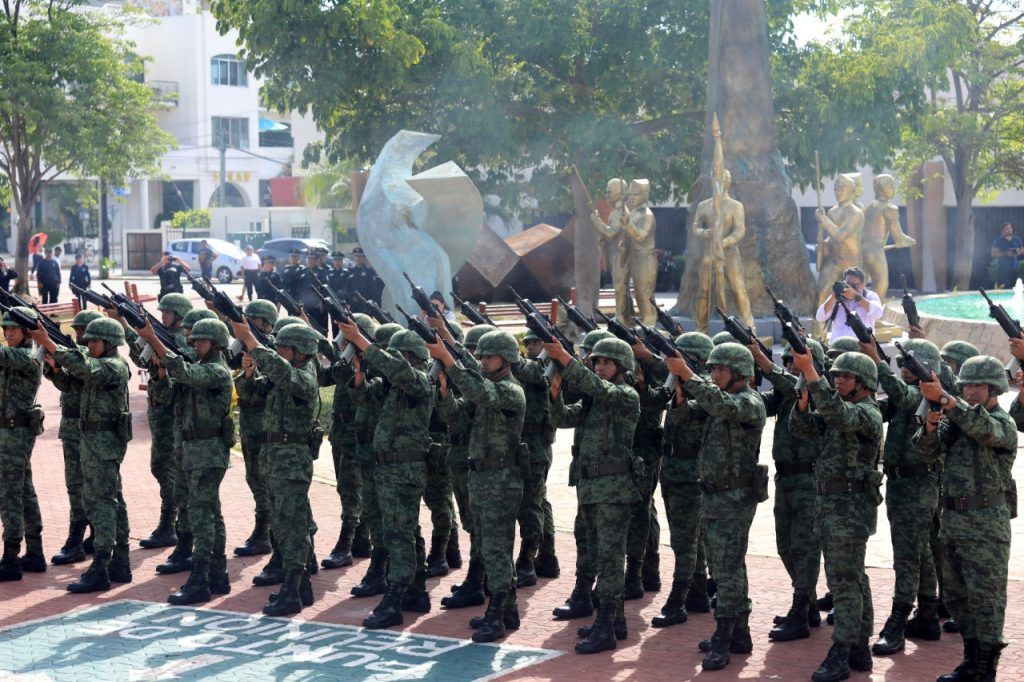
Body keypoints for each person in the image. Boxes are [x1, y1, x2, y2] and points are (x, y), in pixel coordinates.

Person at [665, 343, 766, 671]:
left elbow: (720, 405)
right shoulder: (718, 399)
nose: (715, 375)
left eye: (721, 370)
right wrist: (681, 394)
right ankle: (740, 632)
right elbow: (687, 415)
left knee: (726, 569)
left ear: (739, 373)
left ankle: (723, 634)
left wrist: (688, 375)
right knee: (730, 566)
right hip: (714, 497)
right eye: (713, 369)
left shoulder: (749, 402)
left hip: (734, 499)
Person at [790, 350, 883, 682]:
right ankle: (859, 647)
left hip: (850, 509)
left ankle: (841, 650)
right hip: (832, 506)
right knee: (853, 578)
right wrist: (803, 402)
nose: (839, 380)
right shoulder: (842, 408)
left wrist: (811, 374)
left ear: (864, 382)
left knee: (843, 582)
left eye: (846, 376)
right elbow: (802, 429)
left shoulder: (867, 412)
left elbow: (838, 415)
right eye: (836, 375)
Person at [428, 328, 526, 643]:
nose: (483, 361)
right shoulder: (488, 389)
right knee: (488, 546)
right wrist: (445, 394)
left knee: (496, 549)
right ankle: (508, 609)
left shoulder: (510, 390)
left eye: (489, 357)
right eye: (481, 356)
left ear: (506, 359)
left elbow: (481, 393)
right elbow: (457, 417)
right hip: (481, 479)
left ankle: (496, 614)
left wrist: (449, 360)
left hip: (501, 481)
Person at [548, 337, 641, 654]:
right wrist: (555, 396)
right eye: (597, 362)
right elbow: (562, 419)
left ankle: (605, 628)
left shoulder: (625, 395)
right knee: (600, 555)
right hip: (590, 489)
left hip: (613, 491)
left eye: (607, 362)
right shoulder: (594, 399)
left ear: (621, 367)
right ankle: (616, 621)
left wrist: (565, 359)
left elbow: (598, 387)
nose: (600, 367)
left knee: (610, 560)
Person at [339, 320, 434, 629]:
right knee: (406, 530)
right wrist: (359, 371)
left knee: (398, 534)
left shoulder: (420, 382)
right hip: (388, 468)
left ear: (412, 357)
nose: (392, 360)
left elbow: (397, 370)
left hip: (404, 469)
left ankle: (394, 597)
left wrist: (361, 340)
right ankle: (417, 591)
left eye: (398, 355)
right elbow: (362, 395)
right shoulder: (392, 386)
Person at [33, 317, 132, 593]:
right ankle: (120, 562)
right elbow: (74, 381)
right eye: (88, 341)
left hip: (103, 444)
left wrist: (47, 341)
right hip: (93, 442)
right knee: (111, 501)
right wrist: (54, 369)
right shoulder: (99, 364)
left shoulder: (113, 365)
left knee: (102, 503)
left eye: (95, 341)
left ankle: (101, 566)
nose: (90, 345)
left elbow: (84, 368)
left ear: (110, 343)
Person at [140, 318, 234, 605]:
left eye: (201, 341)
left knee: (202, 515)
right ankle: (217, 574)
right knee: (209, 512)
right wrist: (159, 374)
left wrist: (155, 341)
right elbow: (166, 396)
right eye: (194, 341)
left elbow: (188, 374)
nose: (196, 344)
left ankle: (200, 578)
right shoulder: (197, 368)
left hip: (208, 452)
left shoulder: (217, 371)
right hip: (190, 450)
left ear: (216, 343)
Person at [232, 320, 321, 616]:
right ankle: (301, 586)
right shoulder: (283, 376)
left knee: (291, 526)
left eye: (284, 347)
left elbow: (282, 373)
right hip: (275, 459)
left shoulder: (304, 377)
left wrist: (252, 341)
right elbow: (250, 393)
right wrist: (248, 371)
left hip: (291, 461)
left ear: (301, 351)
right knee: (286, 523)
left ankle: (292, 590)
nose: (279, 350)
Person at [862, 339, 944, 655]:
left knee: (907, 555)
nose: (904, 369)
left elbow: (900, 395)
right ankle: (927, 614)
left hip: (918, 485)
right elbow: (879, 407)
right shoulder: (908, 395)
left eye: (910, 364)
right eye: (902, 364)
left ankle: (897, 621)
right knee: (919, 551)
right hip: (901, 484)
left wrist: (877, 361)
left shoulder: (928, 395)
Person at [750, 337, 827, 643]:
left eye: (795, 360)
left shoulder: (821, 392)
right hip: (785, 479)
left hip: (809, 479)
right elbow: (758, 404)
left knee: (805, 548)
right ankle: (808, 605)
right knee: (785, 546)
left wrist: (763, 360)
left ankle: (800, 610)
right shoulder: (787, 393)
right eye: (786, 361)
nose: (790, 366)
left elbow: (790, 386)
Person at [650, 332, 714, 628]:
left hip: (691, 474)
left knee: (685, 540)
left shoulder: (706, 388)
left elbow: (697, 412)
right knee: (689, 537)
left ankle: (678, 598)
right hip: (672, 469)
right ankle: (698, 590)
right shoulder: (677, 383)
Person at [44, 309, 104, 567]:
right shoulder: (77, 356)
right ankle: (86, 535)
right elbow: (67, 384)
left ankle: (81, 538)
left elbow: (81, 370)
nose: (79, 334)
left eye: (83, 330)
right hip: (71, 426)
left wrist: (56, 349)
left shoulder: (94, 360)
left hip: (89, 429)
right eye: (77, 330)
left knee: (90, 485)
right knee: (75, 484)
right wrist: (55, 369)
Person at [511, 328, 559, 588]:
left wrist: (507, 355)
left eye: (536, 342)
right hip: (527, 446)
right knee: (539, 502)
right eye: (527, 342)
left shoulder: (548, 366)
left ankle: (527, 561)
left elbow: (530, 373)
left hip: (536, 448)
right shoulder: (534, 365)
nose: (530, 346)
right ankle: (547, 556)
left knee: (530, 505)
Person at [0, 308, 45, 583]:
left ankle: (10, 557)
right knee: (24, 491)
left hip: (16, 433)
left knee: (9, 494)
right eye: (5, 329)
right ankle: (35, 553)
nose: (8, 333)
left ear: (27, 332)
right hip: (7, 432)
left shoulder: (29, 356)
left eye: (13, 329)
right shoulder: (13, 355)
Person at [231, 301, 278, 560]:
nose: (249, 324)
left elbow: (265, 386)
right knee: (253, 477)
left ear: (267, 323)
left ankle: (265, 531)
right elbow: (242, 386)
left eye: (255, 320)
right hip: (249, 421)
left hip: (265, 423)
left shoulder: (272, 349)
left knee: (264, 479)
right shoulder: (247, 346)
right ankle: (264, 529)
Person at [814, 267, 883, 343]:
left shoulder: (870, 296)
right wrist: (833, 297)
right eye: (848, 284)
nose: (850, 288)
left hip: (861, 347)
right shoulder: (837, 297)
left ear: (863, 284)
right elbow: (819, 317)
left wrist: (856, 297)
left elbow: (878, 313)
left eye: (854, 285)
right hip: (838, 347)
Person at [347, 246, 385, 312]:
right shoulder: (350, 271)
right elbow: (348, 286)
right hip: (354, 304)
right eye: (356, 256)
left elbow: (373, 288)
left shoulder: (369, 271)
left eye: (360, 256)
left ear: (363, 258)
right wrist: (351, 297)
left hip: (365, 302)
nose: (358, 258)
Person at [990, 222, 1021, 288]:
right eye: (1007, 228)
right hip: (1002, 268)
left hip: (1014, 268)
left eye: (1010, 228)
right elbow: (993, 254)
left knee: (1014, 288)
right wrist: (1005, 253)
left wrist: (1016, 252)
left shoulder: (1017, 239)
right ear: (1002, 231)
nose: (1009, 230)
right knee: (1000, 287)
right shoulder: (998, 241)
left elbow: (1022, 250)